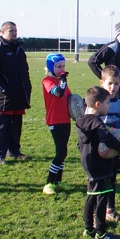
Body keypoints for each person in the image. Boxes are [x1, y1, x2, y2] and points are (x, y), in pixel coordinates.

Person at [76, 86, 120, 239]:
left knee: (91, 197)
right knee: (102, 198)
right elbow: (107, 139)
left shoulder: (81, 120)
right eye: (107, 103)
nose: (109, 106)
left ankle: (88, 229)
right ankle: (101, 233)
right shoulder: (97, 122)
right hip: (100, 165)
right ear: (98, 104)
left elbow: (79, 145)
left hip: (88, 163)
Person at [0, 21, 32, 165]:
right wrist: (4, 90)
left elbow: (25, 70)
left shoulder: (19, 49)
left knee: (16, 125)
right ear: (3, 32)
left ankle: (14, 151)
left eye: (15, 30)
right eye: (11, 30)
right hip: (4, 97)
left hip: (19, 95)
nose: (14, 33)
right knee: (2, 126)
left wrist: (27, 87)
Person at [97, 65, 120, 223]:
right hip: (99, 151)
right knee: (98, 182)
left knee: (111, 180)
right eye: (110, 83)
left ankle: (110, 209)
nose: (113, 87)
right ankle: (96, 212)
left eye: (117, 84)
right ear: (102, 82)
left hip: (116, 150)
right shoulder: (96, 104)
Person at [41, 53, 73, 195]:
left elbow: (70, 99)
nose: (62, 69)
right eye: (58, 66)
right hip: (55, 121)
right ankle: (48, 183)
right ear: (50, 67)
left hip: (65, 120)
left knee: (63, 153)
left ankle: (58, 181)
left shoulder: (62, 82)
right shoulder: (47, 81)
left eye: (63, 66)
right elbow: (59, 93)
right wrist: (63, 79)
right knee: (61, 152)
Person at [88, 22, 120, 99]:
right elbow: (92, 61)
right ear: (117, 34)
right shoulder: (111, 48)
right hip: (115, 90)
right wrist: (105, 77)